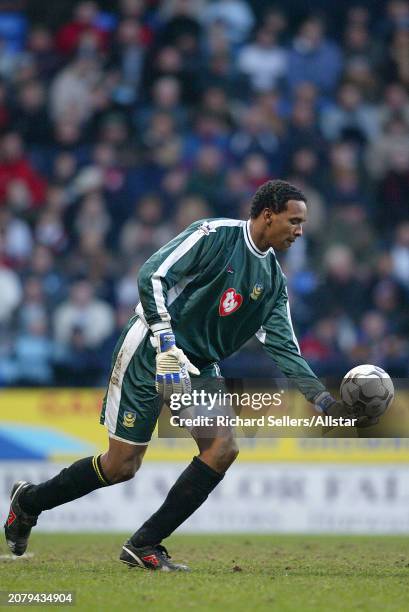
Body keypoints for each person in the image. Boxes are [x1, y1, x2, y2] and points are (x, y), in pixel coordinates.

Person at [4, 180, 366, 571]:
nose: (300, 231)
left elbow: (285, 349)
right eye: (294, 221)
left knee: (222, 448)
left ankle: (145, 543)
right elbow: (151, 275)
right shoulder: (213, 235)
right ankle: (29, 502)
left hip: (199, 367)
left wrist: (324, 400)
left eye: (302, 224)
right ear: (268, 215)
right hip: (150, 351)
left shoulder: (274, 282)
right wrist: (165, 339)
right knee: (121, 465)